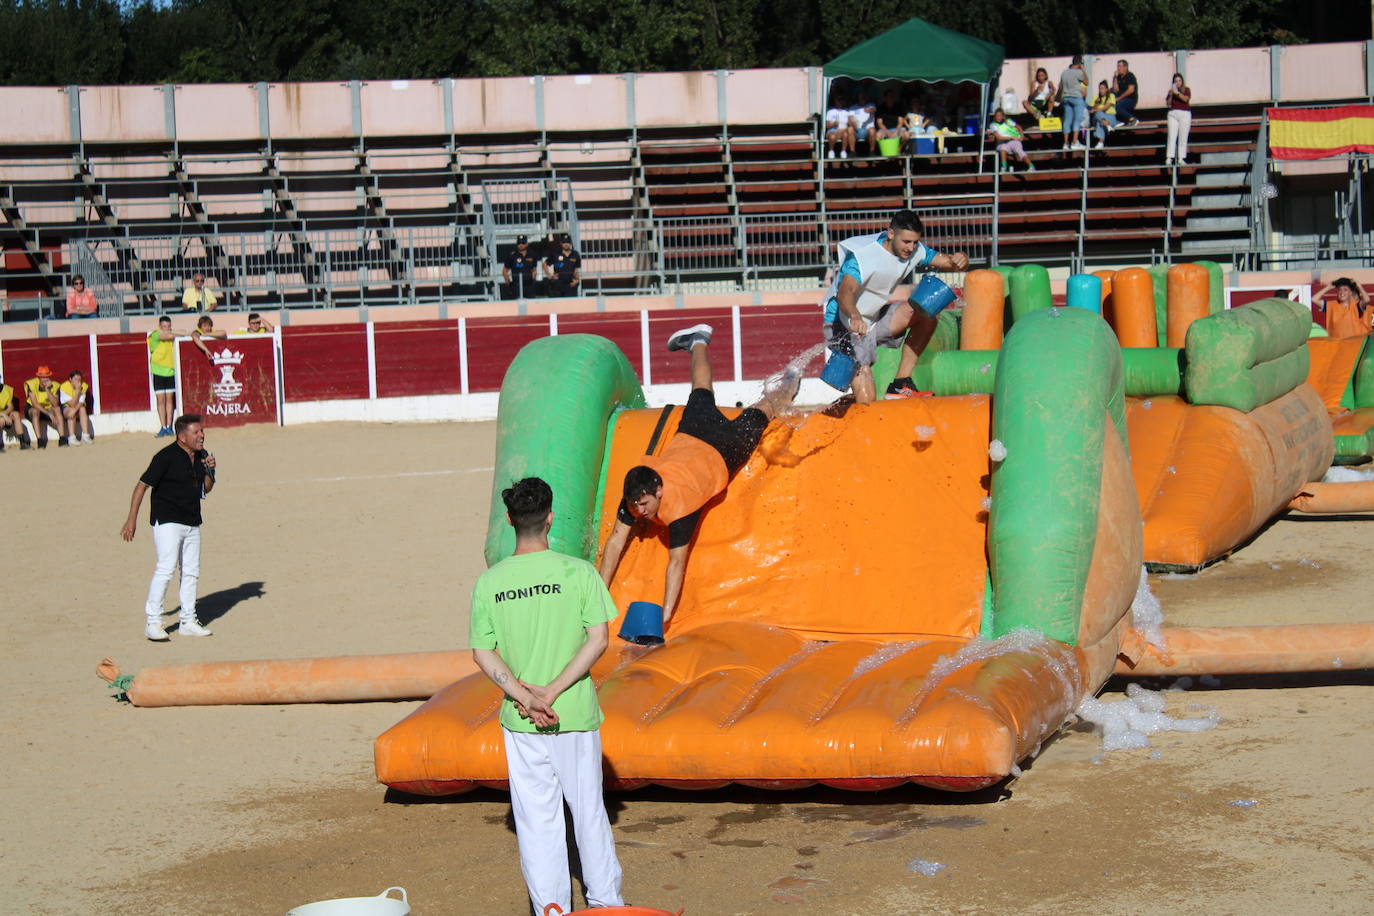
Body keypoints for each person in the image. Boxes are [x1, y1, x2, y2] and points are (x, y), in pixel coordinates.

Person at [469, 476, 623, 914]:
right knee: (589, 813)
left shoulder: (490, 582)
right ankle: (607, 905)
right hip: (572, 712)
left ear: (510, 520)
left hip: (521, 721)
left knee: (537, 823)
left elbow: (483, 653)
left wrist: (524, 696)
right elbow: (598, 641)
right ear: (550, 518)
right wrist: (553, 692)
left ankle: (551, 909)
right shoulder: (580, 572)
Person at [599, 325, 799, 627]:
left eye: (644, 505)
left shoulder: (681, 509)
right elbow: (615, 542)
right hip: (692, 433)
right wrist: (599, 594)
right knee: (701, 389)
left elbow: (676, 564)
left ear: (659, 491)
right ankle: (698, 341)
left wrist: (664, 618)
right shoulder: (637, 489)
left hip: (723, 450)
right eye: (635, 506)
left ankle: (791, 382)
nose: (639, 512)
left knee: (762, 411)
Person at [820, 209, 969, 403]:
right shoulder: (863, 256)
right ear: (891, 234)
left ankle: (901, 383)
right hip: (843, 323)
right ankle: (843, 410)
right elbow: (844, 293)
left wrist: (961, 259)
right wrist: (855, 316)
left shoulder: (915, 250)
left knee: (927, 313)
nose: (910, 248)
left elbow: (950, 262)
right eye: (906, 242)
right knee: (867, 400)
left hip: (874, 318)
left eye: (915, 242)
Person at [120, 413, 217, 641]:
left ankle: (188, 620)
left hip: (192, 519)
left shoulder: (201, 455)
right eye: (197, 432)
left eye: (201, 431)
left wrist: (211, 471)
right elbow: (141, 486)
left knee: (191, 571)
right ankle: (152, 622)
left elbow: (205, 489)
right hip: (168, 521)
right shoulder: (165, 457)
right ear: (182, 437)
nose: (202, 435)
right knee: (166, 568)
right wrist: (131, 519)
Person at [148, 315, 180, 437]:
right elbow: (168, 335)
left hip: (171, 370)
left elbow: (181, 333)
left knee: (169, 399)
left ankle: (169, 427)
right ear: (159, 327)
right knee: (161, 399)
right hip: (157, 371)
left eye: (168, 326)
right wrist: (172, 332)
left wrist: (173, 331)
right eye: (164, 326)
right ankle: (163, 426)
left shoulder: (169, 334)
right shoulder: (155, 334)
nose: (166, 329)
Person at [24, 366, 67, 448]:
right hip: (33, 409)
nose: (44, 379)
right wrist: (49, 414)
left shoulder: (55, 385)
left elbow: (55, 403)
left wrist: (47, 390)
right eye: (42, 377)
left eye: (46, 377)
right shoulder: (31, 384)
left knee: (57, 409)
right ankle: (40, 440)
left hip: (49, 408)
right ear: (38, 377)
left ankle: (62, 438)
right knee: (35, 411)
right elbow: (35, 404)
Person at [1057, 56, 1089, 151]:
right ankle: (1075, 142)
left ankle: (1066, 143)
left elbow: (1061, 86)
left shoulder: (1064, 73)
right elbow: (1086, 82)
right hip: (1076, 97)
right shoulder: (1079, 72)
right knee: (1077, 120)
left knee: (1067, 120)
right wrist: (1083, 70)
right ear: (1080, 63)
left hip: (1066, 97)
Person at [502, 235, 541, 299]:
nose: (521, 245)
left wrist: (534, 278)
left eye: (523, 243)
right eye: (519, 243)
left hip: (529, 285)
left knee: (531, 304)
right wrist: (508, 283)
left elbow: (534, 268)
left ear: (527, 244)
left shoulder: (532, 254)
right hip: (517, 285)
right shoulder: (512, 256)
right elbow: (505, 271)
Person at [1165, 73, 1193, 165]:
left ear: (1182, 81)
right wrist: (1171, 94)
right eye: (1175, 81)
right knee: (1171, 136)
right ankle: (1169, 157)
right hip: (1173, 113)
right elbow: (1168, 104)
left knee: (1183, 136)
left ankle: (1181, 158)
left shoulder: (1186, 90)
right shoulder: (1171, 91)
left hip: (1184, 114)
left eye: (1179, 81)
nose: (1177, 83)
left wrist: (1177, 92)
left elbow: (1185, 99)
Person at [60, 370, 93, 445]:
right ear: (70, 379)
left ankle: (85, 435)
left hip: (77, 407)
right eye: (75, 379)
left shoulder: (83, 386)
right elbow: (71, 404)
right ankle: (72, 437)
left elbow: (81, 402)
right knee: (71, 410)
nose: (78, 382)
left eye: (79, 380)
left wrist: (74, 411)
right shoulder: (64, 387)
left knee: (82, 409)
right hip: (66, 408)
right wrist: (78, 392)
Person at [0, 375, 31, 451]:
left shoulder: (6, 389)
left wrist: (5, 415)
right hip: (2, 416)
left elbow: (10, 407)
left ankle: (23, 442)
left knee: (16, 414)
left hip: (4, 414)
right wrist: (4, 415)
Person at [824, 88, 855, 160]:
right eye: (838, 100)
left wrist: (851, 121)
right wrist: (833, 125)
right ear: (835, 101)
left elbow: (851, 124)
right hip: (832, 130)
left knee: (845, 134)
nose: (840, 102)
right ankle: (831, 151)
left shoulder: (847, 111)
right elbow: (827, 125)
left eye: (842, 100)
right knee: (832, 136)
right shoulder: (831, 111)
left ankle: (843, 151)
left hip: (843, 131)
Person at [849, 88, 878, 157]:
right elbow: (850, 119)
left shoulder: (871, 105)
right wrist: (853, 124)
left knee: (872, 130)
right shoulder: (853, 107)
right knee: (850, 129)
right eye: (861, 96)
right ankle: (852, 151)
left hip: (867, 130)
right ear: (858, 97)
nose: (863, 98)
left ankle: (872, 151)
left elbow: (873, 110)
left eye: (865, 96)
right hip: (857, 129)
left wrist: (868, 110)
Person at [1090, 81, 1119, 150]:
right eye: (1100, 88)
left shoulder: (1111, 96)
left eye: (1102, 88)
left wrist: (1096, 109)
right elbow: (1091, 110)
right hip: (1100, 118)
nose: (1101, 90)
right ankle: (1107, 125)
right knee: (1098, 115)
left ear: (1106, 89)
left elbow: (1106, 107)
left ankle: (1100, 142)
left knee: (1099, 121)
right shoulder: (1096, 97)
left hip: (1110, 117)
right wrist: (1096, 103)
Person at [1112, 60, 1139, 126]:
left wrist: (1119, 98)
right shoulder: (1119, 77)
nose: (1118, 68)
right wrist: (1115, 78)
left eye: (1120, 66)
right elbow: (1115, 90)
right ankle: (1119, 121)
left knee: (1118, 107)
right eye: (1118, 66)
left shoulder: (1130, 76)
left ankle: (1133, 119)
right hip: (1122, 99)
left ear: (1125, 67)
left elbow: (1131, 90)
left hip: (1130, 99)